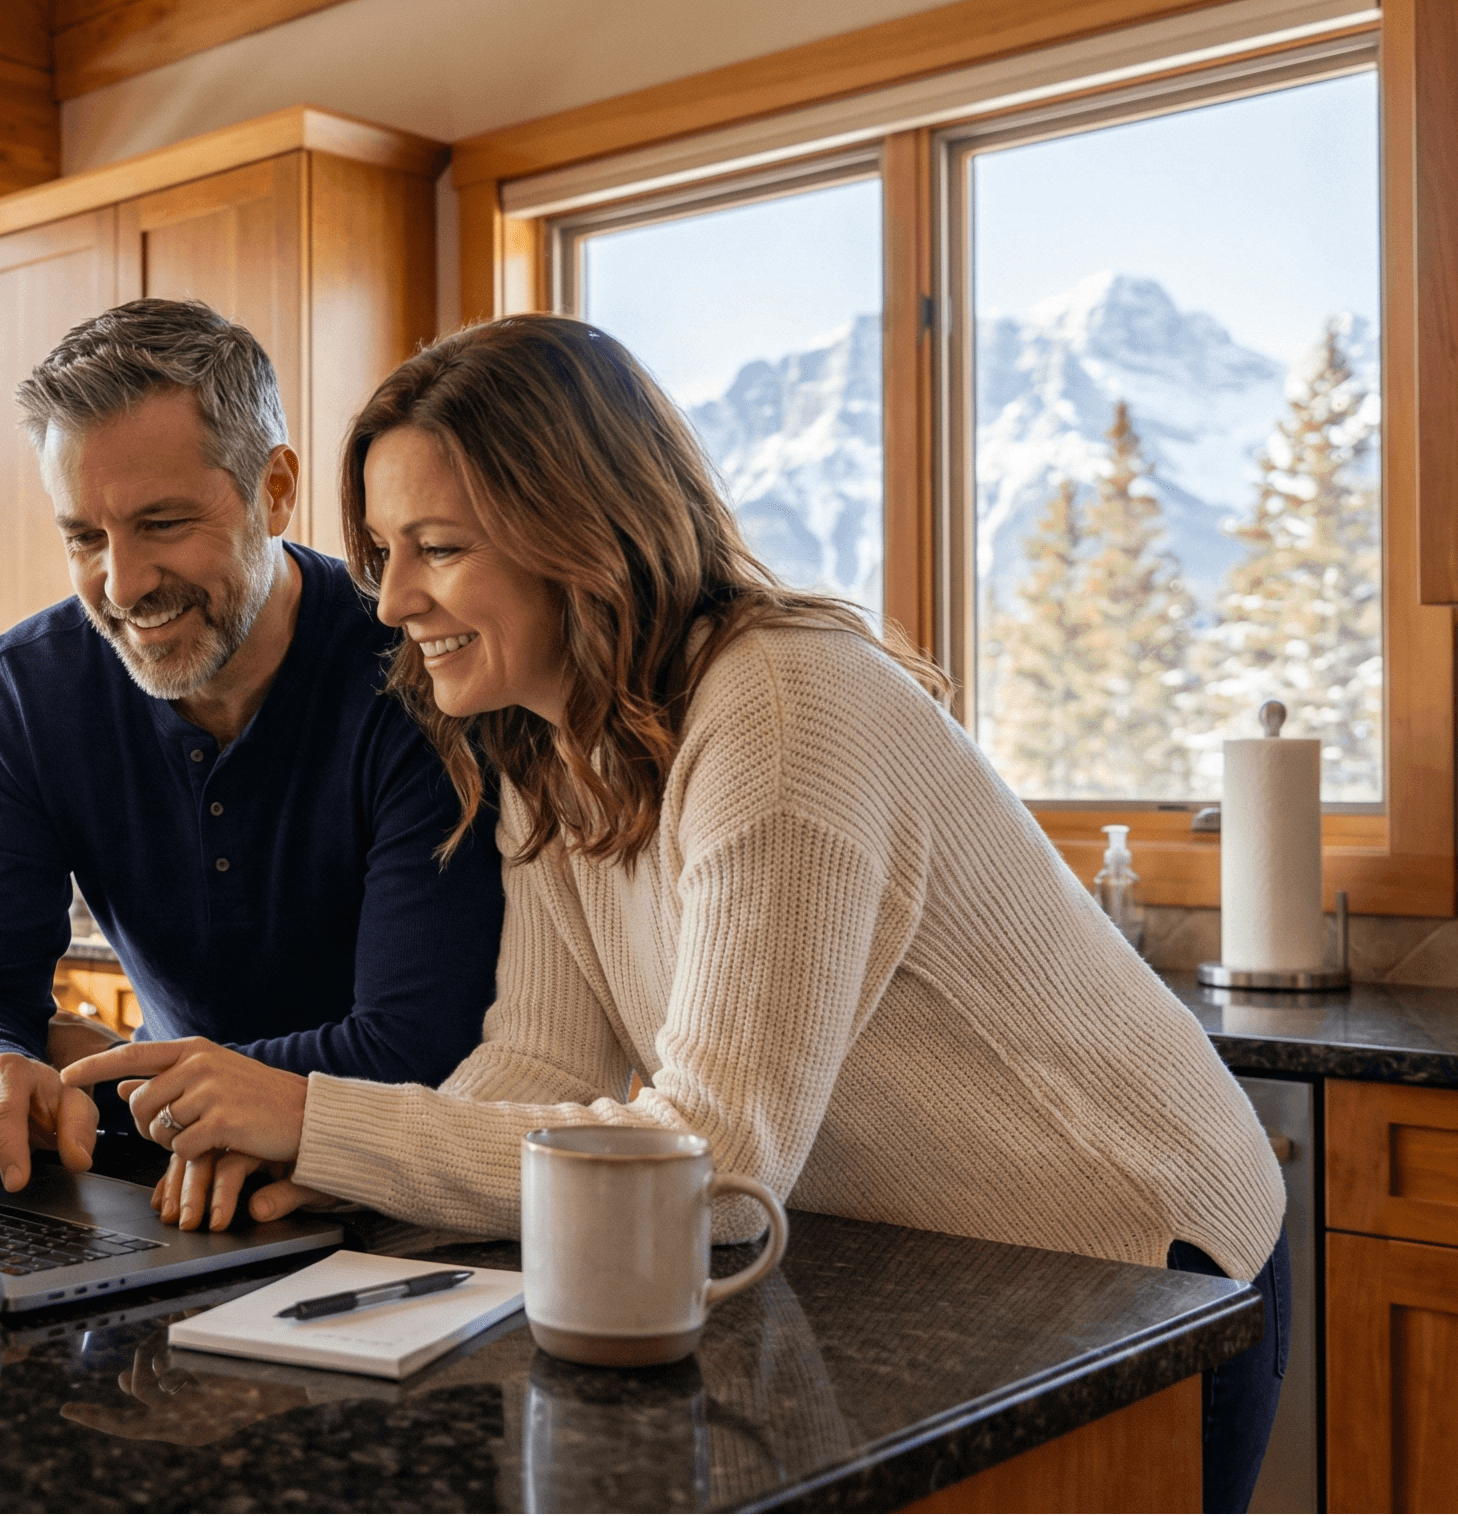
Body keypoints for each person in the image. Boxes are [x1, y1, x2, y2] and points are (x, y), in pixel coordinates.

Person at [65, 315, 1290, 1513]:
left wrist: (316, 1117)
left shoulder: (780, 709)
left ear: (578, 532)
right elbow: (543, 1057)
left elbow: (712, 1158)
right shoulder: (546, 745)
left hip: (1137, 1254)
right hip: (933, 1261)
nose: (389, 603)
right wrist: (350, 1171)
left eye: (435, 547)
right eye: (383, 552)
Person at [0, 298, 505, 1219]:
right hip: (172, 1177)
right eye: (85, 537)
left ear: (275, 490)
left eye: (162, 524)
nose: (121, 585)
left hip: (397, 1194)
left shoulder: (420, 671)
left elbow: (413, 1042)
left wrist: (113, 1084)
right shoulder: (22, 692)